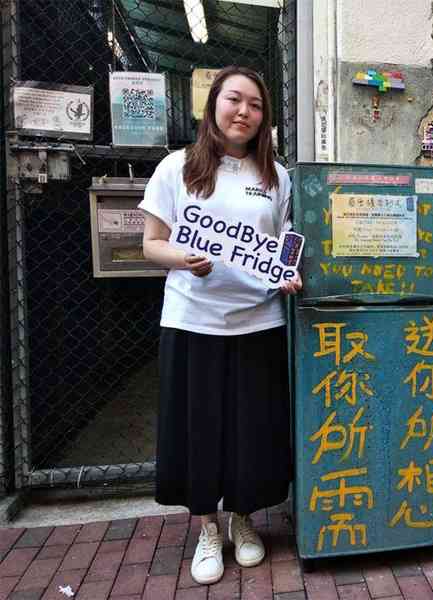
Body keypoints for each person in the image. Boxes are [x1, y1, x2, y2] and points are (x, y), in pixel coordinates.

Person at [140, 66, 301, 585]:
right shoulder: (178, 167)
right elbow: (151, 244)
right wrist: (183, 258)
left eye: (255, 105)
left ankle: (243, 518)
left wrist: (288, 271)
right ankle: (207, 527)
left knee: (251, 429)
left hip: (259, 321)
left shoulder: (276, 176)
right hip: (193, 321)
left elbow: (286, 241)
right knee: (199, 428)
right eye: (234, 100)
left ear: (264, 116)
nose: (244, 112)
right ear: (212, 105)